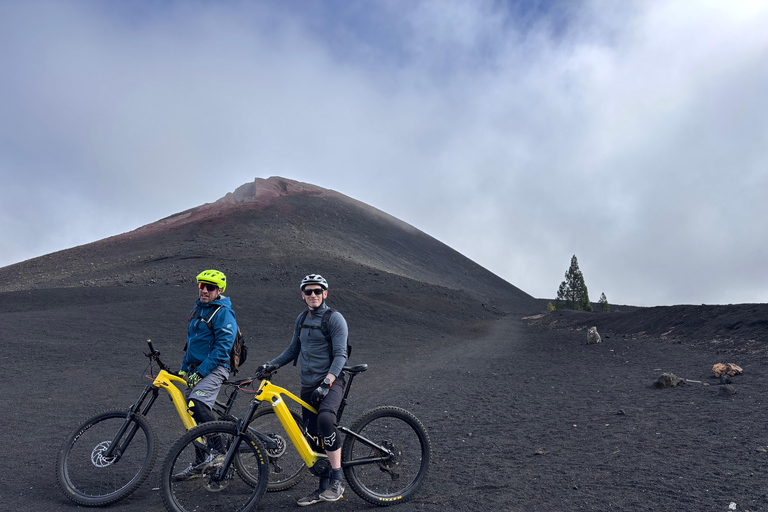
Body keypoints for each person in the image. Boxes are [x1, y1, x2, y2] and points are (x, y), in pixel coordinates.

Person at [257, 274, 349, 506]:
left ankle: (337, 480)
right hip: (308, 386)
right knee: (313, 436)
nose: (313, 295)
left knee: (326, 420)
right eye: (308, 292)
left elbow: (340, 355)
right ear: (303, 295)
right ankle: (321, 489)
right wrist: (271, 364)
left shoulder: (335, 319)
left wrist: (327, 382)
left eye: (318, 291)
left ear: (325, 293)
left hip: (331, 381)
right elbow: (292, 350)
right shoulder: (301, 319)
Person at [173, 269, 238, 481]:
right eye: (201, 286)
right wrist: (184, 368)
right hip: (195, 368)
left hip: (217, 367)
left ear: (219, 290)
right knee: (190, 415)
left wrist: (200, 372)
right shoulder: (197, 310)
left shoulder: (222, 313)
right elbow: (191, 344)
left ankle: (219, 453)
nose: (204, 290)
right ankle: (200, 461)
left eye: (210, 287)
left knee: (197, 404)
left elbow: (223, 348)